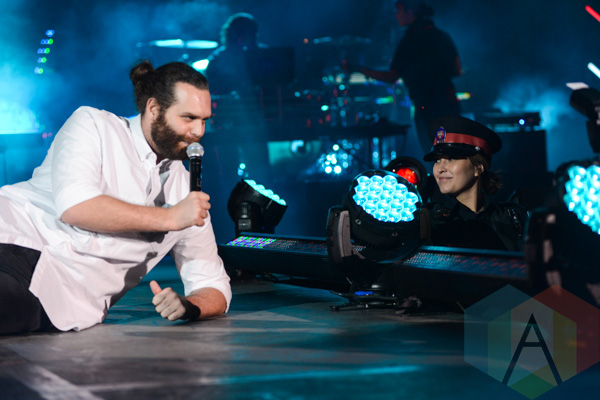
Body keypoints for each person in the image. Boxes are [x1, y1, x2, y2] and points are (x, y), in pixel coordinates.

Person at [0, 61, 232, 335]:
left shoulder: (185, 192)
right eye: (188, 118)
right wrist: (169, 217)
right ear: (154, 109)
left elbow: (213, 283)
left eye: (204, 120)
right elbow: (76, 206)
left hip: (61, 298)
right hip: (15, 238)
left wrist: (190, 305)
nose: (199, 132)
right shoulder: (93, 124)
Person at [347, 1, 462, 156]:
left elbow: (391, 76)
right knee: (454, 155)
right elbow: (457, 70)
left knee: (435, 155)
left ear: (410, 13)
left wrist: (358, 69)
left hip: (427, 107)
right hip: (450, 103)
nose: (396, 15)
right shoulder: (442, 36)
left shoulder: (410, 41)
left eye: (398, 11)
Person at [422, 115, 528, 251]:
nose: (440, 168)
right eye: (437, 160)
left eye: (451, 158)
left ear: (478, 167)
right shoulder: (426, 220)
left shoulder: (512, 217)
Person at [203, 12, 266, 95]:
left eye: (248, 32)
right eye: (241, 32)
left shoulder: (265, 54)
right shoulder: (218, 58)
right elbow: (212, 87)